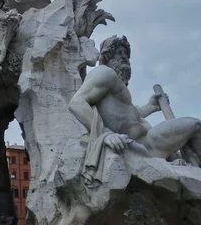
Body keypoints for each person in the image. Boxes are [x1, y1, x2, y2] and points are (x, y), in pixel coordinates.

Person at [68, 35, 201, 184]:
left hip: (151, 143)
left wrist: (150, 107)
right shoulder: (104, 73)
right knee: (195, 125)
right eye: (119, 53)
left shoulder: (118, 88)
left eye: (126, 54)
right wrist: (106, 134)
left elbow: (129, 117)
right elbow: (76, 103)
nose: (124, 58)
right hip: (143, 145)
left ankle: (192, 169)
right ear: (108, 57)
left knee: (191, 131)